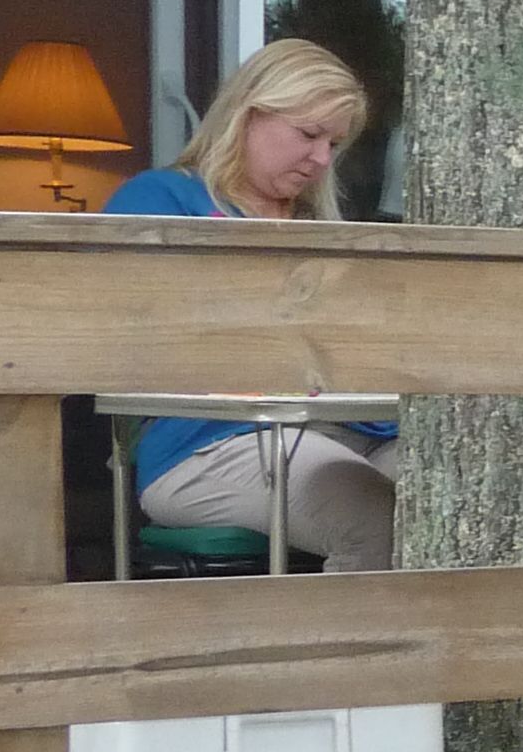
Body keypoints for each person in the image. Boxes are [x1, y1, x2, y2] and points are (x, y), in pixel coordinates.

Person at [104, 39, 399, 571]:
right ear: (248, 114)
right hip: (210, 444)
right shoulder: (159, 201)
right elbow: (139, 340)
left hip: (360, 430)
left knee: (470, 497)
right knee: (378, 518)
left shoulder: (320, 228)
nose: (321, 159)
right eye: (309, 134)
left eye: (334, 143)